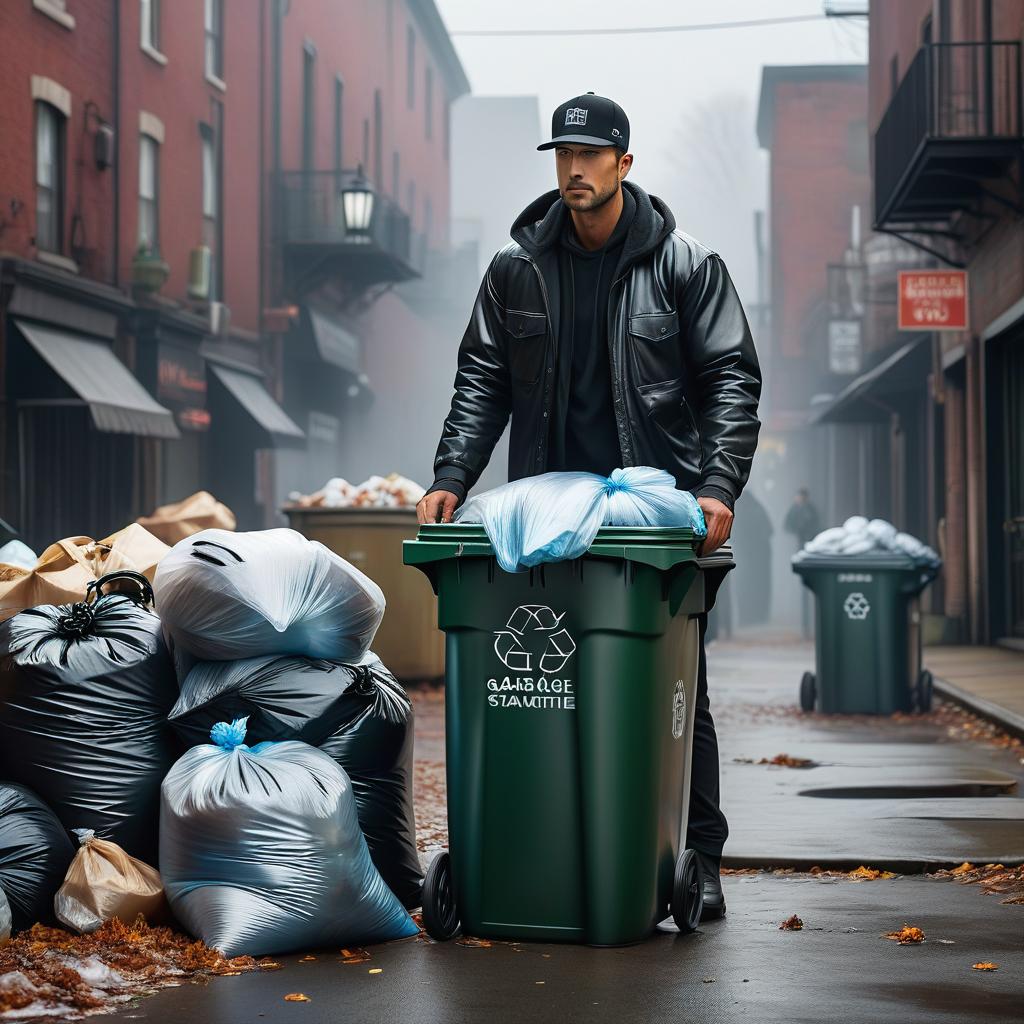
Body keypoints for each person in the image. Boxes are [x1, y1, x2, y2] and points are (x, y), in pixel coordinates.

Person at [417, 93, 761, 922]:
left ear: (623, 164)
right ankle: (552, 850)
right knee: (546, 684)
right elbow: (481, 380)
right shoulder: (514, 269)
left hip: (647, 518)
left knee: (680, 686)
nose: (572, 168)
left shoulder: (683, 266)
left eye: (589, 155)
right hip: (545, 512)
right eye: (562, 154)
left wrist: (716, 486)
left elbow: (730, 379)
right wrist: (451, 478)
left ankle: (697, 854)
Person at [784, 488, 821, 638]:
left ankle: (809, 624)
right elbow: (787, 526)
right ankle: (805, 625)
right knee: (802, 589)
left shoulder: (811, 510)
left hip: (810, 550)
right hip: (801, 548)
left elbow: (817, 525)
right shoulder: (795, 510)